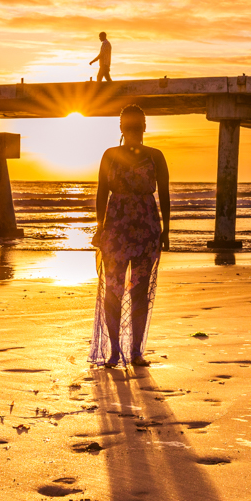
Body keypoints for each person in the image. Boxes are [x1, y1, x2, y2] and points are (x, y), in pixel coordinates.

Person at [90, 105, 170, 367]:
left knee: (139, 290)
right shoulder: (110, 155)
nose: (134, 130)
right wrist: (100, 227)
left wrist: (166, 230)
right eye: (130, 126)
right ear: (122, 128)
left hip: (146, 228)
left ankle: (135, 352)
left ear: (144, 127)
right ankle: (114, 351)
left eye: (137, 126)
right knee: (113, 290)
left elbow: (165, 195)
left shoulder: (156, 156)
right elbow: (102, 192)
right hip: (116, 228)